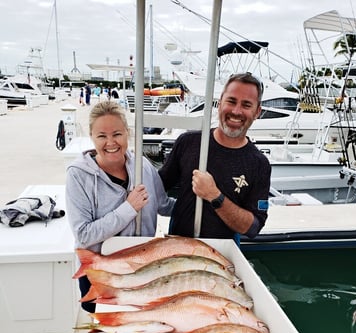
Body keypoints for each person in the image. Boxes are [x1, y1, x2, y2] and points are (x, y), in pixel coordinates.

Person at [65, 101, 175, 312]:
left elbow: (164, 205)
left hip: (141, 269)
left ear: (128, 133)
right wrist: (128, 208)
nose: (110, 142)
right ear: (91, 137)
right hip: (100, 272)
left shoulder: (143, 166)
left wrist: (205, 201)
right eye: (101, 136)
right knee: (104, 330)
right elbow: (84, 234)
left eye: (117, 134)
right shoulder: (78, 175)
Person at [158, 72, 271, 242]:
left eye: (246, 105)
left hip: (222, 255)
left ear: (257, 112)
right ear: (219, 104)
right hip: (178, 248)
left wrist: (215, 196)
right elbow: (156, 187)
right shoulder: (188, 143)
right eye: (231, 101)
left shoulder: (259, 164)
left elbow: (253, 227)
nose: (236, 111)